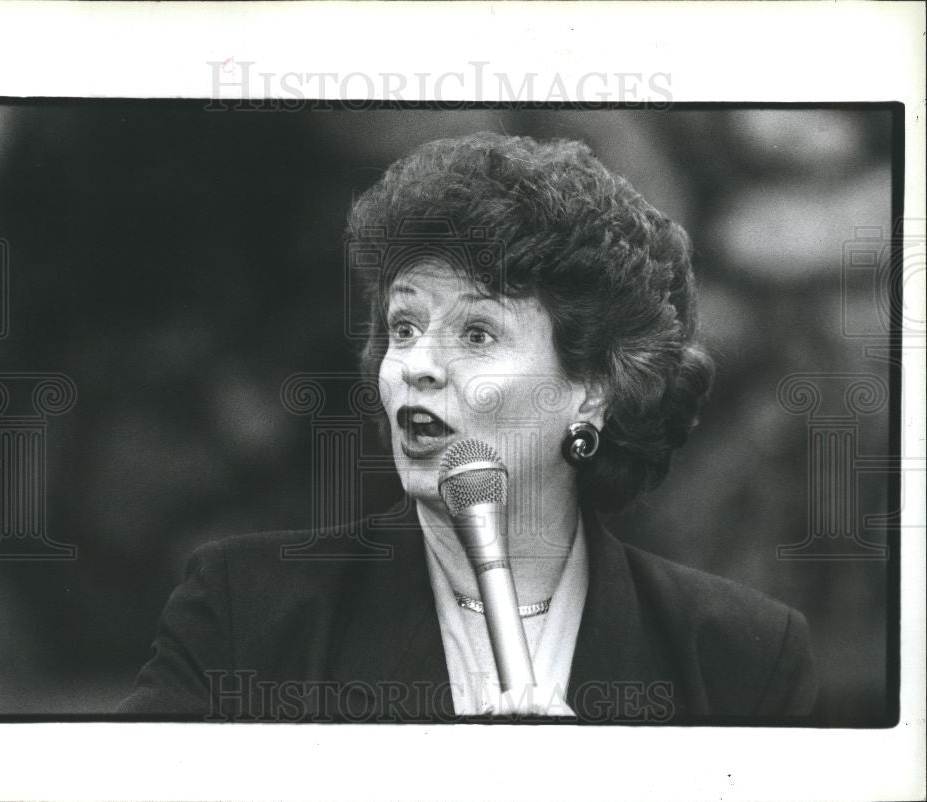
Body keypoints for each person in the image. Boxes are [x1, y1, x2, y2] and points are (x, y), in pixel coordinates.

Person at [119, 132, 817, 722]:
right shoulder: (244, 611)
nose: (416, 365)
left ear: (594, 390)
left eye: (478, 333)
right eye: (405, 325)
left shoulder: (736, 653)